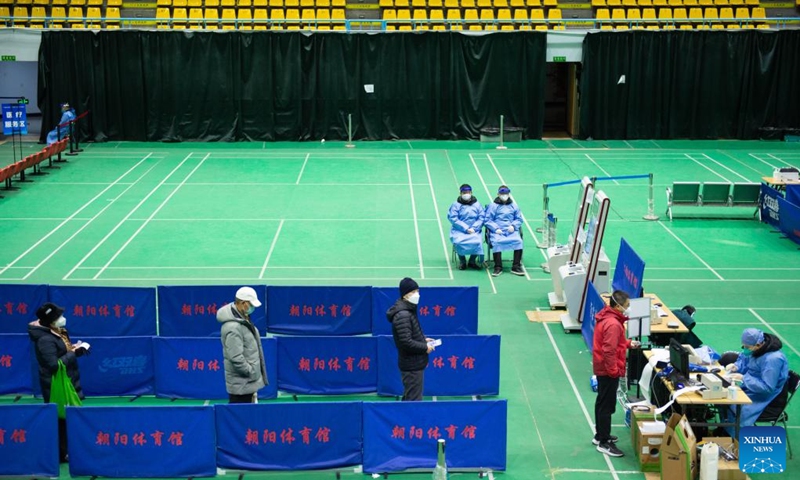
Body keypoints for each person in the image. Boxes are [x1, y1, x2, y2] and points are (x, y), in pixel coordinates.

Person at [28, 302, 88, 463]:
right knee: (60, 420)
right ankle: (62, 454)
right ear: (51, 321)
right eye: (59, 316)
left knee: (68, 418)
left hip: (68, 380)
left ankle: (69, 450)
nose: (63, 318)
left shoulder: (58, 332)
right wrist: (73, 353)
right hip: (56, 385)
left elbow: (64, 353)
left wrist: (76, 349)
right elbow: (53, 365)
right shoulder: (45, 340)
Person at [592, 290, 640, 457]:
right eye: (627, 306)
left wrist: (627, 343)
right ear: (618, 306)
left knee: (602, 402)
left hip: (602, 368)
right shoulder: (613, 324)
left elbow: (615, 343)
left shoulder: (608, 317)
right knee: (607, 406)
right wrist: (614, 371)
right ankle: (604, 442)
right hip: (607, 370)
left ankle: (600, 435)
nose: (628, 308)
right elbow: (609, 350)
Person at [724, 328, 788, 434]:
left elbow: (767, 387)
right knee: (725, 400)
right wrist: (736, 366)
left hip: (766, 397)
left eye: (747, 347)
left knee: (735, 406)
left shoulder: (773, 359)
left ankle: (734, 439)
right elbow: (744, 358)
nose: (745, 349)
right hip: (751, 387)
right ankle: (725, 431)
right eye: (743, 346)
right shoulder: (756, 349)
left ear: (758, 344)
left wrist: (744, 378)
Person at [386, 277, 435, 401]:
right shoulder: (403, 315)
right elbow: (405, 342)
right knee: (413, 401)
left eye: (417, 291)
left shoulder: (409, 310)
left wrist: (423, 340)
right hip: (411, 365)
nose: (416, 295)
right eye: (413, 292)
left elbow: (409, 334)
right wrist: (424, 347)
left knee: (410, 397)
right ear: (405, 295)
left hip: (414, 363)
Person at [218, 286, 268, 404]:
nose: (252, 308)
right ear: (243, 303)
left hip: (247, 384)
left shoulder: (243, 319)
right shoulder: (233, 327)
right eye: (251, 305)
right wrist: (251, 372)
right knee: (241, 420)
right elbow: (235, 357)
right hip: (241, 386)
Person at [484, 185, 524, 277]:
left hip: (511, 231)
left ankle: (516, 266)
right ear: (498, 194)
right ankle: (498, 267)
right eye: (502, 194)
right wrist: (495, 228)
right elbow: (488, 220)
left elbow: (519, 219)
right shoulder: (493, 206)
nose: (504, 195)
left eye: (506, 194)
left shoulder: (514, 206)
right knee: (497, 242)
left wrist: (514, 226)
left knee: (518, 241)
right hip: (497, 231)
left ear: (509, 194)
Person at [447, 184, 485, 270]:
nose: (466, 194)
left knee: (477, 242)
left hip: (474, 230)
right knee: (459, 242)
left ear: (471, 192)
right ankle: (462, 261)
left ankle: (472, 261)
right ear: (460, 193)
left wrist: (474, 228)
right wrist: (466, 228)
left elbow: (482, 217)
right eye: (464, 192)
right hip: (459, 230)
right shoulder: (455, 205)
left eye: (468, 192)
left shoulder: (477, 204)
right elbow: (453, 218)